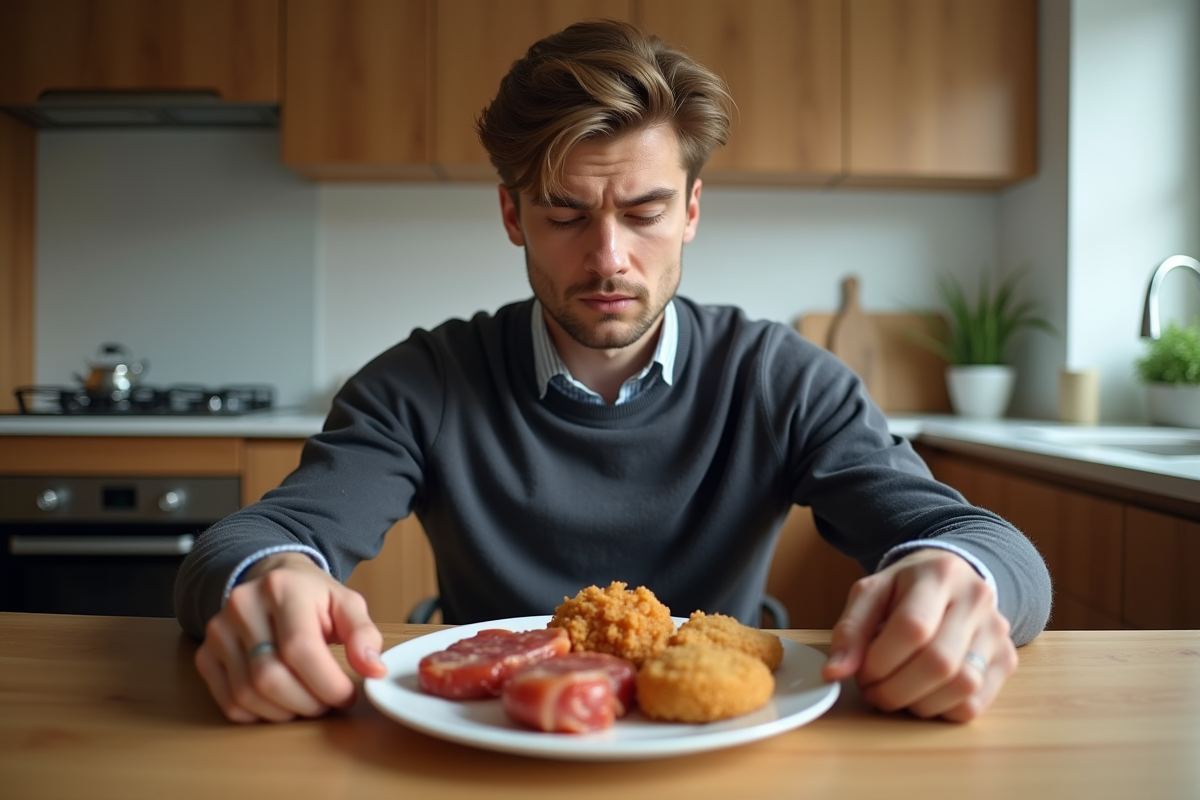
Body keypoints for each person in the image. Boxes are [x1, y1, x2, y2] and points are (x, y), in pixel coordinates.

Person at [175, 19, 1051, 726]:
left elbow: (991, 547)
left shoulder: (784, 379)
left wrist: (960, 576)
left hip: (729, 742)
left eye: (644, 212)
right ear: (512, 214)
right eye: (565, 213)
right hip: (496, 736)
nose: (608, 257)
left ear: (692, 211)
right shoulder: (422, 382)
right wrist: (269, 579)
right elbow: (253, 540)